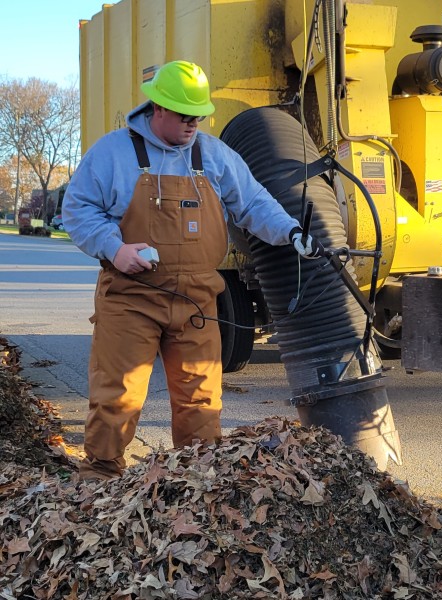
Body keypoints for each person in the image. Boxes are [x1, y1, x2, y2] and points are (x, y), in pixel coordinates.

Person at [63, 60, 319, 480]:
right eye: (185, 115)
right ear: (158, 108)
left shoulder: (214, 155)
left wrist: (291, 232)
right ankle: (99, 481)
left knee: (202, 401)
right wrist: (114, 248)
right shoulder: (113, 153)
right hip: (131, 298)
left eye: (199, 115)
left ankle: (196, 484)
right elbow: (77, 210)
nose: (192, 124)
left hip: (198, 300)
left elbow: (254, 204)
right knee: (117, 397)